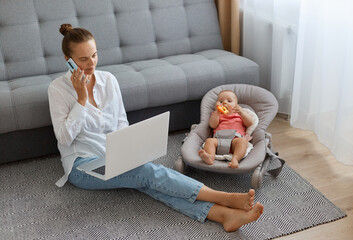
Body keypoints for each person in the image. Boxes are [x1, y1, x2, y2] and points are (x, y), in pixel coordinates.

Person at [48, 23, 264, 232]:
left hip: (115, 155)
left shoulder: (109, 80)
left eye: (94, 55)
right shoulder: (57, 89)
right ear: (68, 61)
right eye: (83, 59)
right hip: (82, 166)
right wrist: (82, 100)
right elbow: (64, 139)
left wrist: (131, 149)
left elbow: (121, 123)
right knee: (148, 172)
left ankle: (223, 215)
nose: (91, 63)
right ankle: (225, 198)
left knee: (147, 179)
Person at [199, 90, 254, 168]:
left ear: (236, 105)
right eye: (221, 101)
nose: (224, 103)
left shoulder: (239, 115)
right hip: (218, 140)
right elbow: (212, 125)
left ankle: (235, 158)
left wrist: (241, 113)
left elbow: (249, 123)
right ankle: (210, 157)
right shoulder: (216, 114)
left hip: (235, 141)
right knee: (209, 141)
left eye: (229, 101)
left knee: (242, 141)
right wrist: (217, 112)